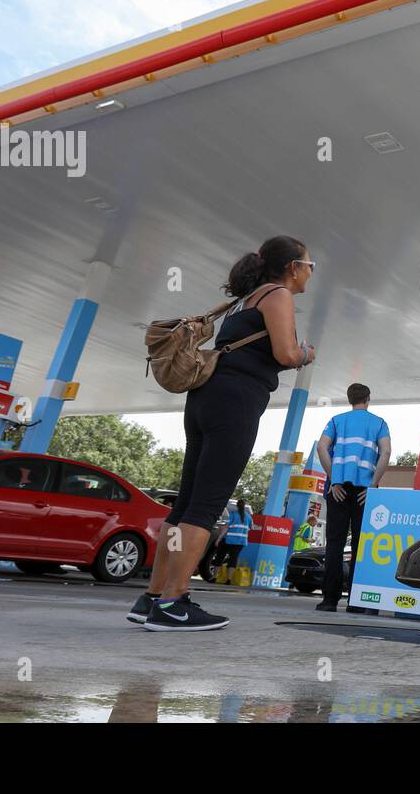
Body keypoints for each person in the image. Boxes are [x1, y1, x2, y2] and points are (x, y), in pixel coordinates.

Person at [133, 235, 317, 632]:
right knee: (207, 503)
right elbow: (285, 354)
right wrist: (306, 354)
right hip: (236, 401)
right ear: (292, 267)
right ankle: (173, 603)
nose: (309, 273)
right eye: (309, 265)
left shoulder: (243, 300)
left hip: (205, 398)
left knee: (185, 504)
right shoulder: (278, 295)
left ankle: (151, 596)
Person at [314, 383, 391, 613]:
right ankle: (356, 602)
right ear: (368, 398)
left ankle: (329, 600)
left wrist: (334, 478)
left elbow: (322, 448)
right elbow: (385, 452)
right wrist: (373, 484)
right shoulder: (379, 423)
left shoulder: (337, 420)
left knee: (335, 544)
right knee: (360, 544)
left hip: (338, 488)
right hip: (363, 493)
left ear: (350, 399)